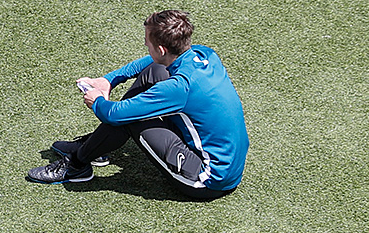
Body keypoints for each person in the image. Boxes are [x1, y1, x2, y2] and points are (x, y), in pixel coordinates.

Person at [27, 10, 249, 200]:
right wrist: (110, 80)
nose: (145, 44)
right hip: (228, 164)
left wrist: (96, 100)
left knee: (130, 117)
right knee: (155, 71)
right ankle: (96, 147)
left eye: (148, 43)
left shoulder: (178, 88)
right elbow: (151, 63)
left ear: (162, 49)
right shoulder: (204, 54)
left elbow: (113, 114)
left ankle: (76, 165)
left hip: (207, 178)